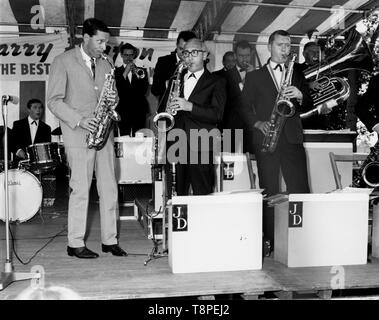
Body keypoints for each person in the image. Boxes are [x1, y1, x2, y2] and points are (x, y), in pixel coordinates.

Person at [47, 18, 127, 259]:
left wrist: (114, 101)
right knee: (81, 188)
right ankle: (75, 243)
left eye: (106, 42)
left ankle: (109, 240)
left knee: (109, 188)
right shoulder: (63, 61)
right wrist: (80, 119)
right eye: (100, 42)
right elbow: (53, 101)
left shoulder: (106, 63)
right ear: (86, 37)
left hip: (104, 133)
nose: (105, 47)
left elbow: (111, 97)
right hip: (78, 133)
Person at [241, 30, 313, 248]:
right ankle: (270, 239)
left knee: (300, 188)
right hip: (267, 139)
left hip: (292, 138)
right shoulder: (254, 77)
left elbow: (309, 103)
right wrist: (257, 123)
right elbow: (243, 108)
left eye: (288, 45)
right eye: (281, 45)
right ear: (269, 47)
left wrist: (300, 95)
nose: (285, 49)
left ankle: (302, 238)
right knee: (269, 189)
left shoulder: (297, 73)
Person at [166, 38, 226, 195]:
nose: (189, 57)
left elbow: (217, 115)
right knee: (177, 193)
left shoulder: (217, 81)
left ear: (205, 55)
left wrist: (189, 106)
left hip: (202, 144)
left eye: (194, 53)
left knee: (203, 193)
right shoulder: (175, 80)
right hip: (176, 142)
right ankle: (179, 220)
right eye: (186, 53)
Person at [151, 30, 197, 112]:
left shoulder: (197, 64)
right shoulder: (163, 62)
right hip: (166, 111)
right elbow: (155, 90)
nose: (184, 53)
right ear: (176, 45)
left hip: (188, 115)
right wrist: (169, 84)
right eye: (181, 49)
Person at [222, 40, 255, 152]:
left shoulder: (258, 74)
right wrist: (243, 83)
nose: (244, 59)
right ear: (235, 56)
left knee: (251, 161)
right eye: (241, 56)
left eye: (247, 56)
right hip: (230, 125)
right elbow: (227, 101)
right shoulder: (225, 76)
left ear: (251, 55)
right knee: (228, 161)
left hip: (251, 126)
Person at [115, 42, 149, 136]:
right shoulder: (116, 72)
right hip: (122, 110)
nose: (129, 58)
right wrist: (125, 72)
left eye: (131, 55)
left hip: (139, 110)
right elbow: (117, 90)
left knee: (139, 138)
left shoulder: (141, 71)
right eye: (126, 55)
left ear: (134, 55)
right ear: (121, 55)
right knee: (123, 137)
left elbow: (144, 91)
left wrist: (135, 73)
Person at [10, 98, 51, 163]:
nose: (38, 110)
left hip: (38, 165)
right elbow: (11, 142)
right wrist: (18, 150)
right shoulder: (18, 124)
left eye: (40, 108)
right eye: (35, 107)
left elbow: (46, 149)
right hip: (20, 164)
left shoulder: (46, 128)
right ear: (29, 109)